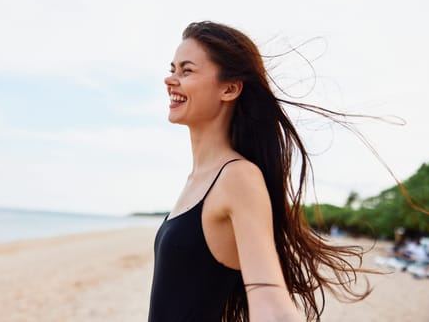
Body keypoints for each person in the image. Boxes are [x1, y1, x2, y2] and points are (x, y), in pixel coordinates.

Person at [148, 21, 370, 322]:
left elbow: (271, 304)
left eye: (186, 71)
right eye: (173, 69)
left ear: (229, 88)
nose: (170, 79)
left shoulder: (238, 177)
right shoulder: (198, 180)